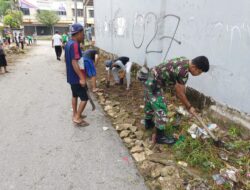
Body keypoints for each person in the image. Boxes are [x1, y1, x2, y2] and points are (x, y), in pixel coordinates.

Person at [143, 56, 209, 144]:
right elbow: (179, 93)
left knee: (149, 101)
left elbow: (178, 84)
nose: (199, 74)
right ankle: (160, 137)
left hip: (151, 76)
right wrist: (189, 107)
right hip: (155, 84)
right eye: (199, 72)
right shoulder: (183, 73)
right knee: (161, 108)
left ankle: (148, 123)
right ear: (194, 67)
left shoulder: (184, 60)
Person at [65, 23, 89, 126]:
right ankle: (77, 117)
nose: (83, 35)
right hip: (76, 78)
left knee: (74, 95)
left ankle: (75, 113)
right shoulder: (74, 45)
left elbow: (67, 60)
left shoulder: (68, 43)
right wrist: (82, 78)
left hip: (71, 77)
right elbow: (74, 62)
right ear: (78, 33)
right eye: (83, 33)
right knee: (84, 98)